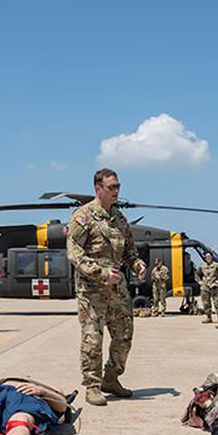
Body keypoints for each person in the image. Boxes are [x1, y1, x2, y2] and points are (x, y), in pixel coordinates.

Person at [66, 168, 147, 406]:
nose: (116, 191)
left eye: (118, 187)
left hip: (117, 290)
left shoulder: (120, 219)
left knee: (124, 337)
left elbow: (130, 250)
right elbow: (74, 253)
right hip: (91, 291)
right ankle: (92, 385)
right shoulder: (83, 217)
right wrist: (100, 273)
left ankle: (110, 379)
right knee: (93, 339)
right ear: (98, 188)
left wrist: (138, 264)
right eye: (112, 187)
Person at [197, 251, 218, 324]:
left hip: (214, 286)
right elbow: (197, 274)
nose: (208, 258)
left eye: (209, 257)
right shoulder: (202, 266)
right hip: (205, 287)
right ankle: (208, 317)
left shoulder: (216, 265)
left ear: (212, 257)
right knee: (206, 303)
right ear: (205, 258)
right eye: (207, 257)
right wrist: (199, 282)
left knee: (217, 303)